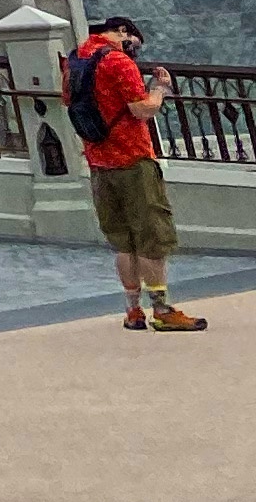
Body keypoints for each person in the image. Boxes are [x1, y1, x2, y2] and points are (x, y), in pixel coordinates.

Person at [73, 17, 204, 331]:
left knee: (123, 242)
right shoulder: (118, 62)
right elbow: (141, 109)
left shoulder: (77, 60)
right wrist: (159, 89)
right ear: (122, 32)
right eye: (134, 45)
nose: (134, 52)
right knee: (152, 238)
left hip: (98, 162)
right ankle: (162, 310)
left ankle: (133, 311)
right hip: (133, 159)